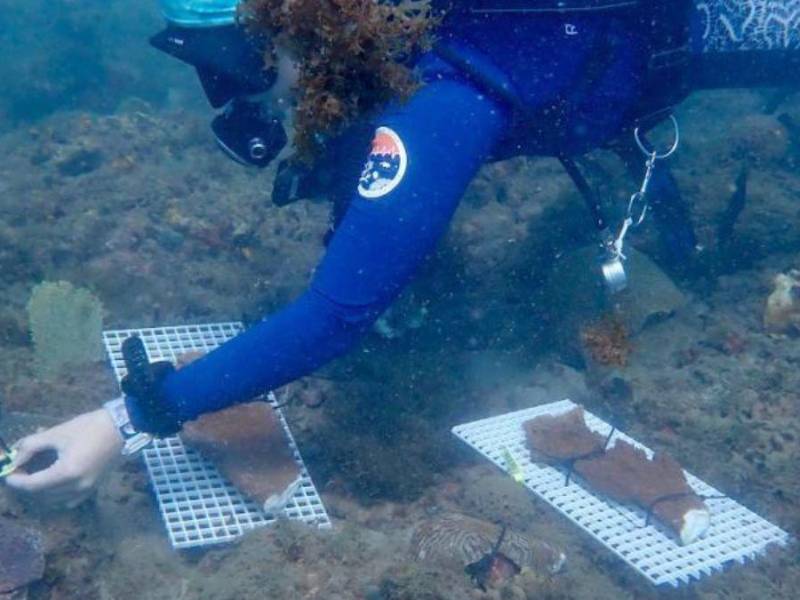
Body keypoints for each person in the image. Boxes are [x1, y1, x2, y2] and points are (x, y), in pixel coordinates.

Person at [5, 0, 799, 506]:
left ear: (295, 24)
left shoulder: (442, 97)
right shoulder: (385, 50)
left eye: (236, 67)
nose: (235, 97)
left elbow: (335, 315)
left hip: (717, 29)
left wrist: (127, 419)